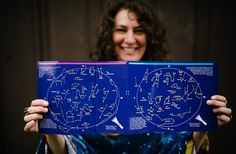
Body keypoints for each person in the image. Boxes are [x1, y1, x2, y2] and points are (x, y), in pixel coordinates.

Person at [23, 0, 232, 153]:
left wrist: (203, 124)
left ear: (149, 37)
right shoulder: (87, 83)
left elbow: (180, 146)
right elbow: (72, 148)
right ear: (110, 35)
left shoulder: (170, 84)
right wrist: (50, 128)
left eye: (139, 30)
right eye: (122, 29)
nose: (130, 39)